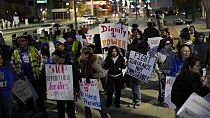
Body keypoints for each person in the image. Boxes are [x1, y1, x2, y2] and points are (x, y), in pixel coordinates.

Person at [10, 36, 43, 115]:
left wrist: (40, 69)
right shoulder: (15, 52)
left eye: (23, 40)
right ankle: (31, 109)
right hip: (24, 77)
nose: (21, 42)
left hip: (35, 76)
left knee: (38, 94)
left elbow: (41, 59)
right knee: (28, 96)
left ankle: (41, 108)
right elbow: (12, 63)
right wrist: (18, 72)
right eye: (19, 41)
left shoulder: (33, 49)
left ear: (27, 41)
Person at [51, 38, 78, 118]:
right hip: (59, 89)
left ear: (61, 58)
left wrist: (76, 89)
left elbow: (75, 76)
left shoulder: (69, 64)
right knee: (60, 106)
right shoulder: (52, 66)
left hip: (69, 88)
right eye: (53, 58)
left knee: (70, 106)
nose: (55, 60)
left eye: (56, 58)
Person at [80, 47, 108, 118]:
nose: (81, 56)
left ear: (87, 55)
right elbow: (84, 73)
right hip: (86, 87)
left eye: (82, 54)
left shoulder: (93, 63)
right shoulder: (83, 63)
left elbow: (102, 73)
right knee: (86, 104)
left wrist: (92, 76)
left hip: (95, 88)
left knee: (99, 106)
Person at [127, 30, 149, 108]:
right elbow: (130, 48)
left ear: (141, 34)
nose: (137, 35)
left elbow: (143, 50)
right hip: (132, 64)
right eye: (136, 34)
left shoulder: (144, 42)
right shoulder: (134, 42)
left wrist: (135, 47)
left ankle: (138, 101)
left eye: (138, 34)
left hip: (139, 65)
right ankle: (134, 100)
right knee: (132, 84)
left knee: (136, 84)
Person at [0, 54, 14, 118]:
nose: (0, 61)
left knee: (7, 114)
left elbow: (10, 84)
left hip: (6, 95)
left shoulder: (6, 69)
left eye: (1, 58)